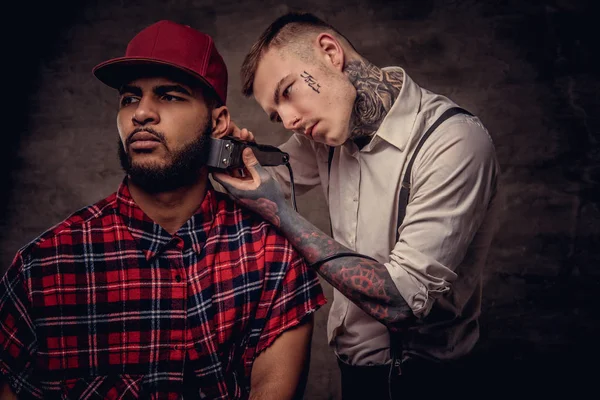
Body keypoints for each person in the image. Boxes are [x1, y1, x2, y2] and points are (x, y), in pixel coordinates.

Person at [0, 20, 326, 400]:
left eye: (169, 96)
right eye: (129, 99)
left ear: (219, 123)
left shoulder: (270, 256)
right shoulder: (43, 268)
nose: (141, 114)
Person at [214, 11, 503, 399]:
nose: (288, 120)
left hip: (425, 383)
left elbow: (403, 300)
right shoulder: (325, 136)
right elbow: (259, 185)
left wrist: (283, 216)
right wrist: (225, 149)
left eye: (287, 92)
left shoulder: (453, 143)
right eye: (275, 114)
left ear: (330, 53)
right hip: (354, 375)